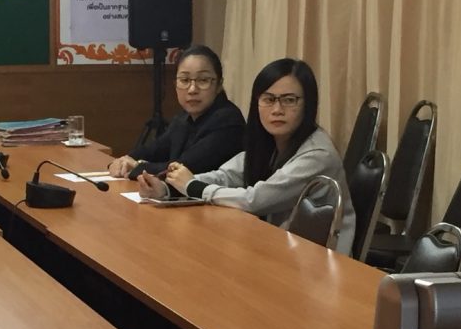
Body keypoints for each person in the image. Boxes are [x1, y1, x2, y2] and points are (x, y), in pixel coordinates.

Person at [138, 57, 356, 254]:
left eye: (289, 100)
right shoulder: (271, 141)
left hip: (317, 263)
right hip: (278, 247)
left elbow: (256, 200)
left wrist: (192, 186)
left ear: (308, 104)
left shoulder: (318, 155)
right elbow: (226, 176)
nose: (277, 109)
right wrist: (168, 188)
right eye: (268, 99)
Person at [108, 45, 244, 179]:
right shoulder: (183, 118)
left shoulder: (228, 120)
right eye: (184, 80)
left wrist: (137, 167)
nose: (192, 89)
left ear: (219, 85)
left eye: (203, 80)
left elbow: (185, 168)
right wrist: (123, 161)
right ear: (175, 85)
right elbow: (153, 150)